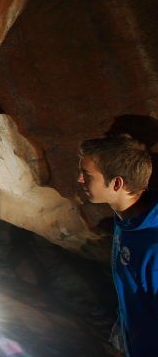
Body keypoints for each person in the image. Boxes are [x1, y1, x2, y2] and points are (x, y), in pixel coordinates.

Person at [77, 135, 156, 356]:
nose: (79, 179)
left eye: (87, 175)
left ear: (117, 183)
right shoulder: (129, 220)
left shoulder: (153, 247)